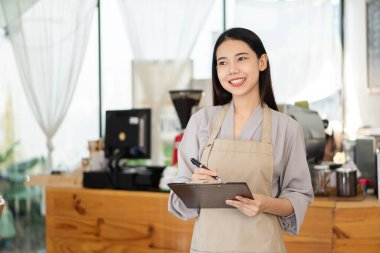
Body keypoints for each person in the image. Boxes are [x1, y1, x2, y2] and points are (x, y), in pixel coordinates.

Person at [168, 27, 314, 253]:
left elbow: (298, 197)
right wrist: (195, 187)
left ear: (262, 62)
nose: (232, 70)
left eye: (242, 59)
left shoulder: (287, 128)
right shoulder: (201, 122)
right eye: (223, 63)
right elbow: (179, 201)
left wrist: (265, 203)